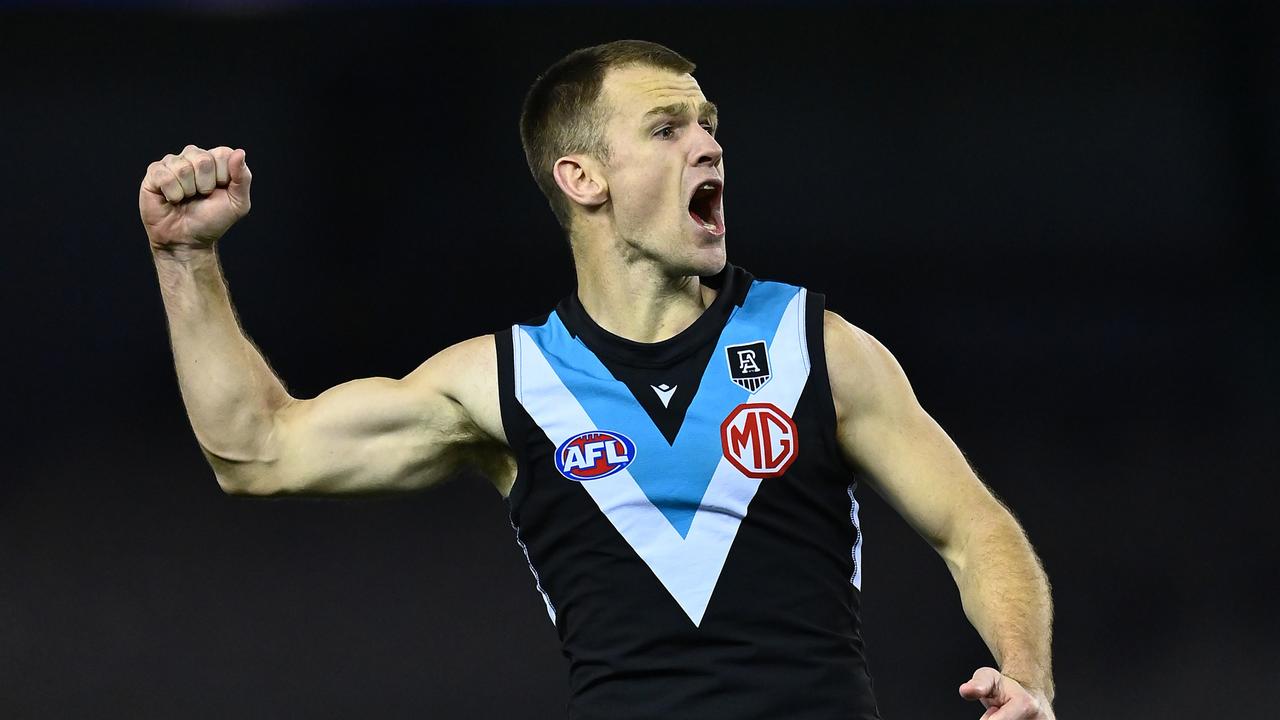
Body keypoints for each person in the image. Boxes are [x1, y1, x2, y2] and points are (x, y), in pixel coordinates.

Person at [139, 40, 1054, 720]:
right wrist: (184, 258)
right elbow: (254, 451)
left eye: (709, 126)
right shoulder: (506, 381)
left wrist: (1027, 674)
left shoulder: (815, 346)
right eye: (666, 128)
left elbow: (976, 529)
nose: (708, 146)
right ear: (582, 178)